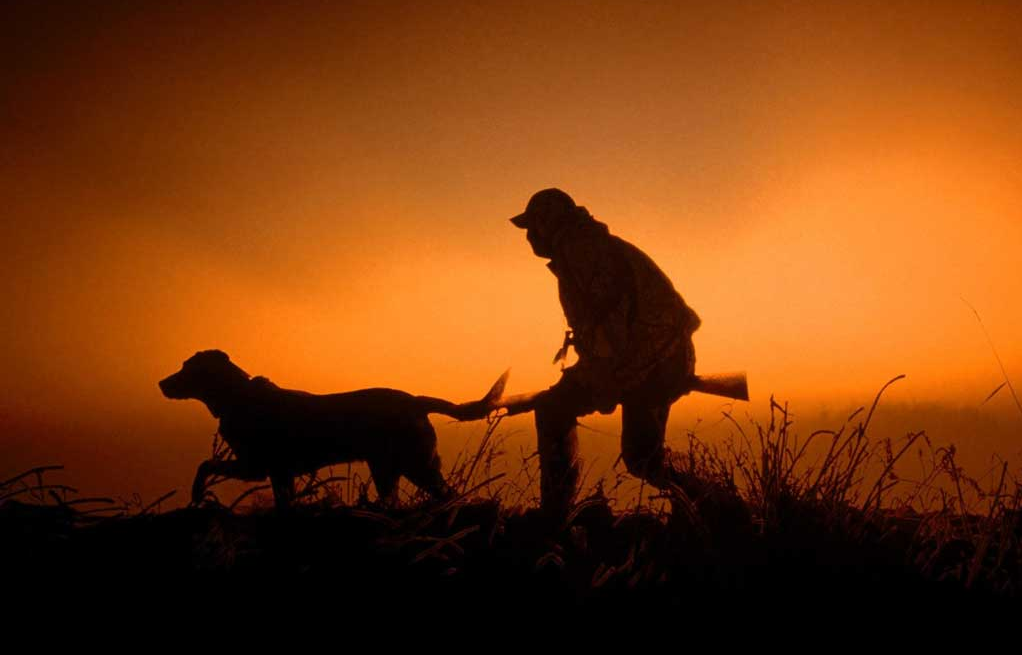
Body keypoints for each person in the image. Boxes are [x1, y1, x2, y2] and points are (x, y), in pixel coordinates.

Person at [509, 188, 703, 520]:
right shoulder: (582, 251)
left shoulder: (586, 253)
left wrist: (606, 379)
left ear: (549, 223)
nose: (528, 237)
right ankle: (708, 504)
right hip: (652, 359)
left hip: (654, 361)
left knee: (559, 413)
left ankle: (555, 515)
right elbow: (606, 329)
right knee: (642, 458)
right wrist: (593, 374)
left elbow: (614, 323)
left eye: (533, 227)